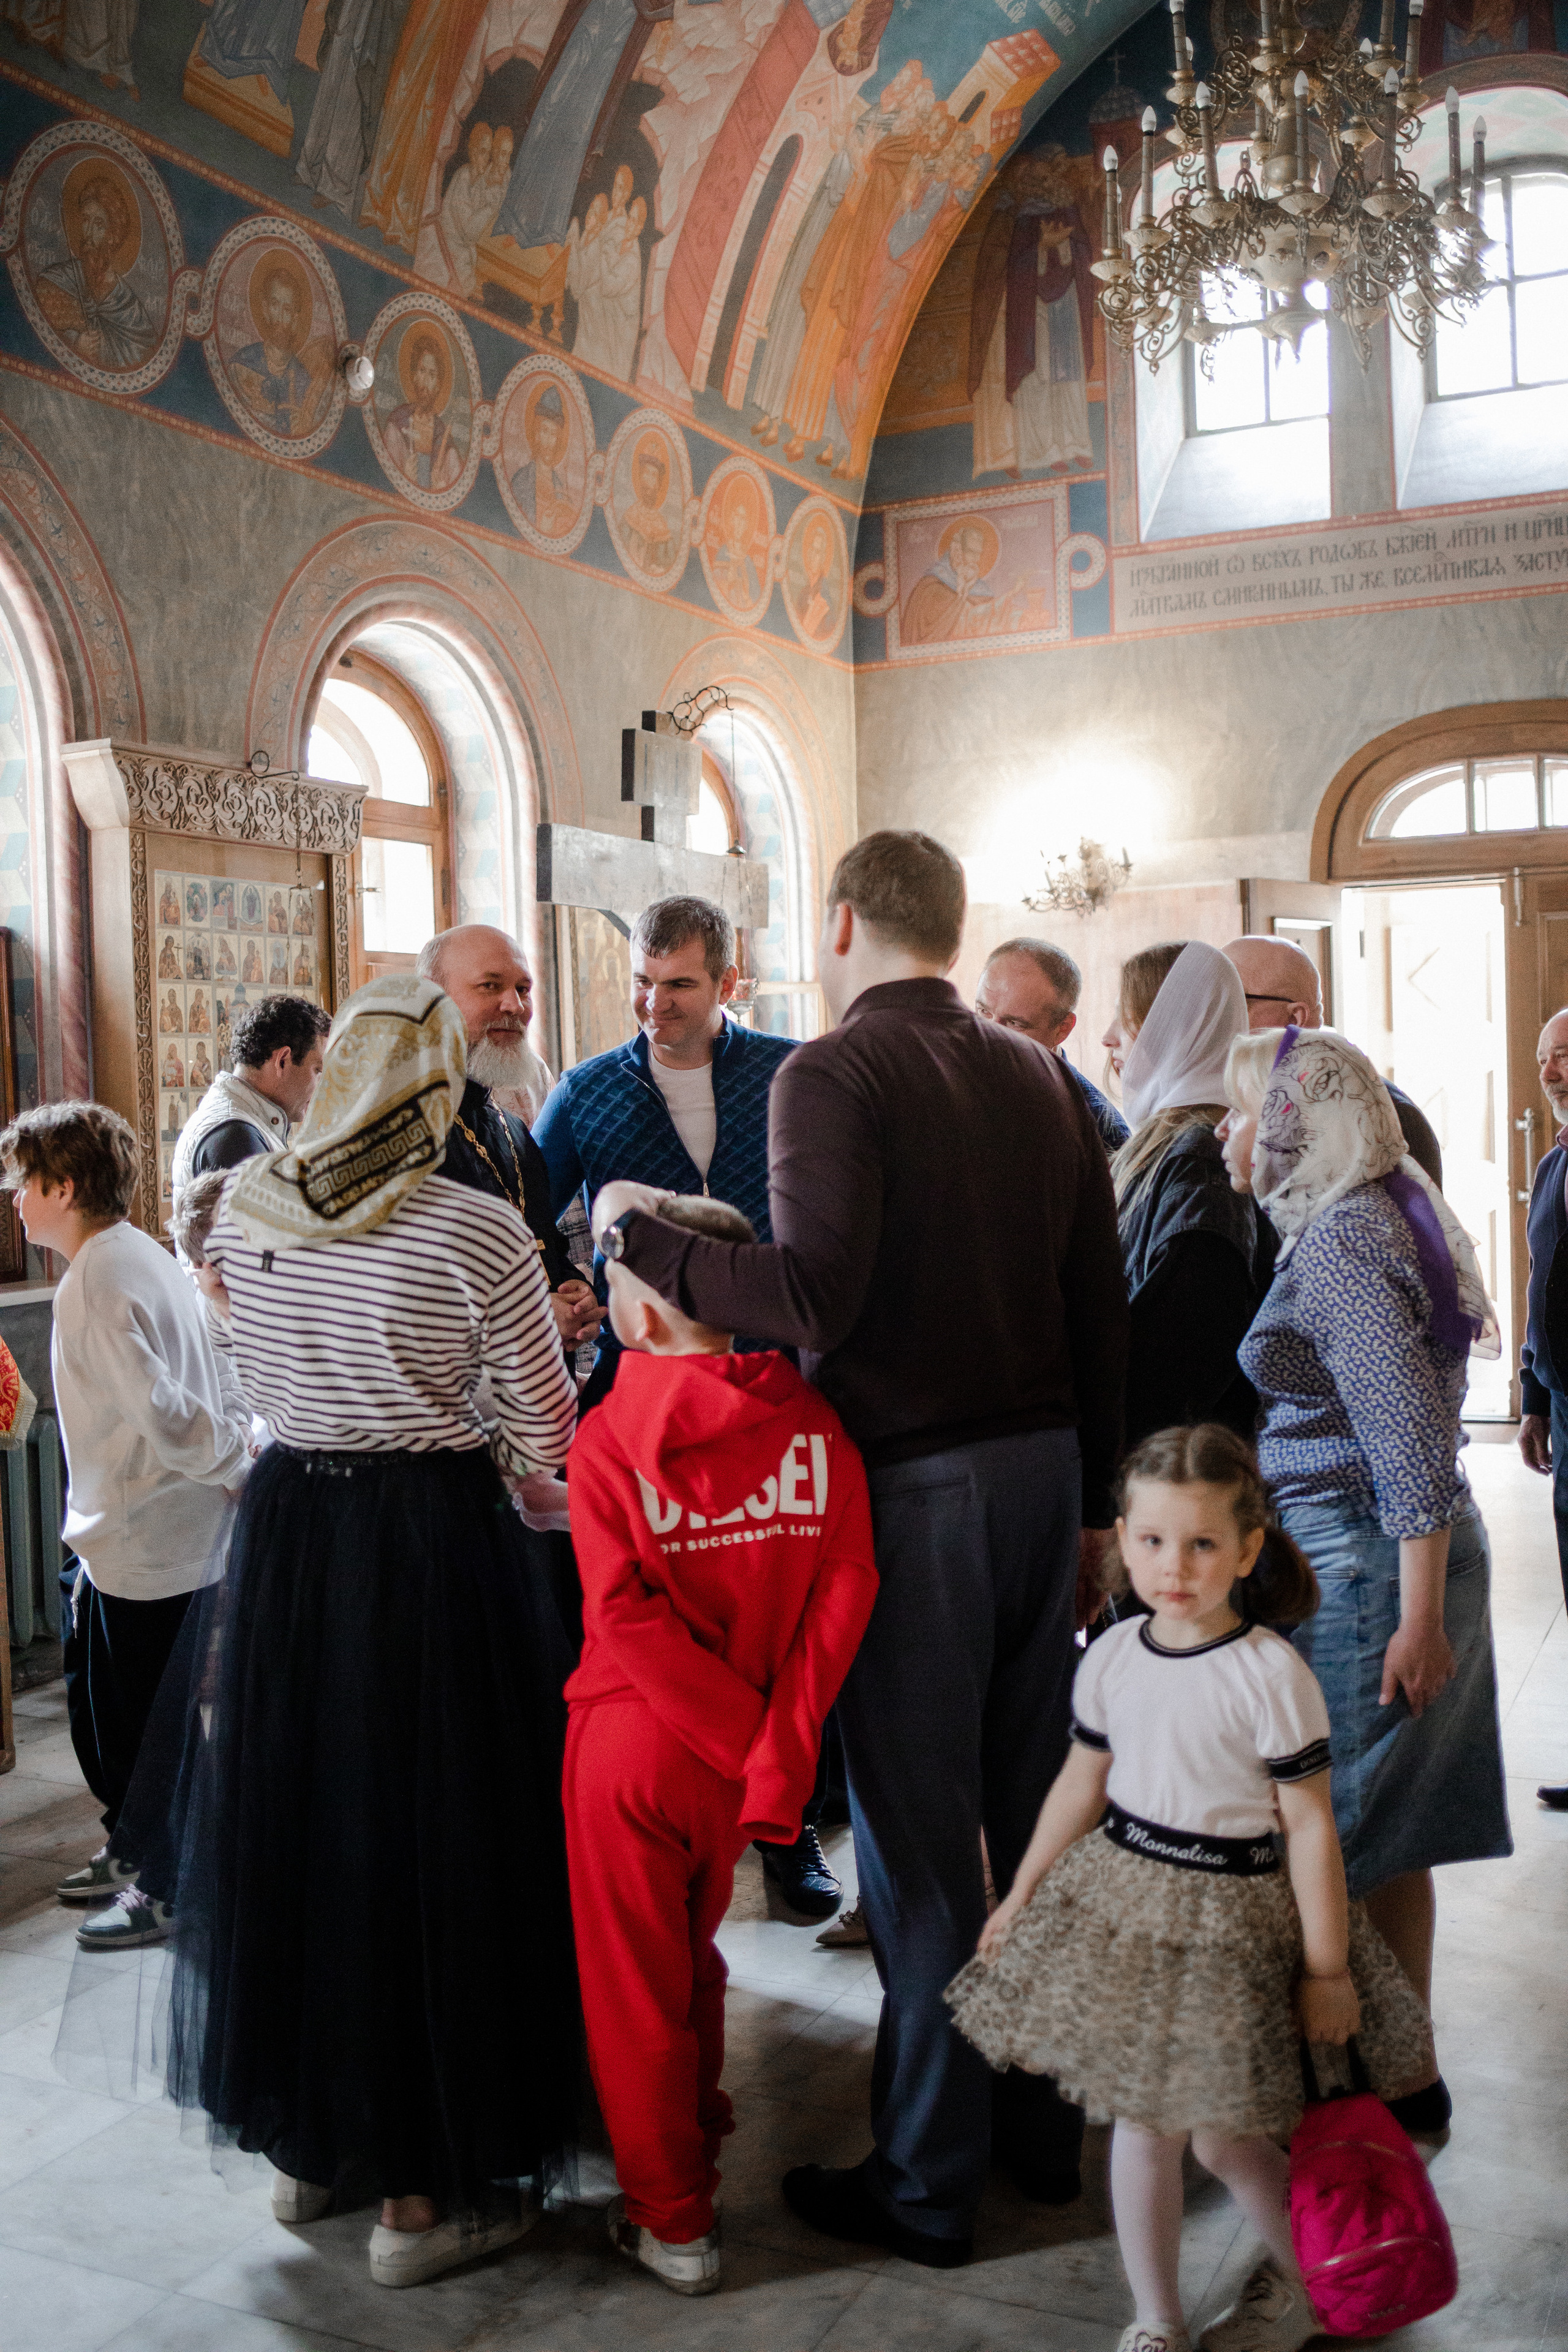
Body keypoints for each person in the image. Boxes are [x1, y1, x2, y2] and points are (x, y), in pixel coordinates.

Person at [590, 831, 1128, 2266]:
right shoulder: (1034, 1070)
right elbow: (1098, 1294)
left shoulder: (834, 1070)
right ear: (947, 929)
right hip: (1039, 1474)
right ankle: (1037, 2130)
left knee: (913, 1848)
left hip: (917, 1486)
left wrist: (652, 1250)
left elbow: (810, 1289)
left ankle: (927, 2179)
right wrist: (1091, 1509)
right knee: (1031, 1821)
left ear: (837, 923)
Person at [155, 974, 582, 2290]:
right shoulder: (471, 1229)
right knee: (434, 1843)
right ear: (436, 1081)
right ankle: (419, 2196)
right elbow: (542, 1429)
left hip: (293, 1540)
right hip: (426, 1547)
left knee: (307, 1829)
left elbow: (250, 1383)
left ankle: (313, 2149)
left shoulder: (248, 1210)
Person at [946, 1425, 1435, 2352]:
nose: (1176, 1567)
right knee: (1144, 2123)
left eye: (1204, 1544)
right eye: (1154, 1542)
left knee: (1218, 2139)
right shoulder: (1112, 1656)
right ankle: (1157, 2320)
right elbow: (1081, 1782)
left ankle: (1317, 2281)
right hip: (1129, 1905)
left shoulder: (1269, 1674)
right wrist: (1020, 1894)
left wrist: (1327, 1969)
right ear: (1120, 1541)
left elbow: (1311, 1825)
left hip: (1235, 1920)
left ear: (1249, 1551)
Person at [564, 1195, 878, 2297]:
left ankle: (674, 2220)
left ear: (646, 1324)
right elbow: (845, 1592)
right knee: (694, 1965)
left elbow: (623, 1618)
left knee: (634, 1987)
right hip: (738, 1762)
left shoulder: (606, 1438)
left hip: (636, 1745)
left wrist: (743, 1742)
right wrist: (778, 1753)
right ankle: (691, 2132)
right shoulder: (814, 1427)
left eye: (615, 1296)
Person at [1222, 1023, 1511, 2144]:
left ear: (1296, 1122)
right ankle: (1407, 2074)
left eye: (1248, 1111)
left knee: (1333, 1835)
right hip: (1398, 1553)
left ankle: (1344, 2092)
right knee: (1396, 1835)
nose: (1232, 1133)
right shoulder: (1391, 1202)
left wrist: (1419, 1619)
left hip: (1371, 1560)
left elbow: (1403, 1446)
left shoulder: (1342, 1237)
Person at [534, 899, 821, 1904]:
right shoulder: (587, 1092)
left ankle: (789, 1832)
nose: (656, 1004)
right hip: (646, 1390)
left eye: (681, 984)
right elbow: (530, 1210)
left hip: (776, 1379)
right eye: (645, 983)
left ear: (729, 984)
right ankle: (678, 1819)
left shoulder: (793, 1073)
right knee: (659, 1609)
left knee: (774, 1610)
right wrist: (564, 1285)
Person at [0, 1104, 251, 1947]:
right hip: (158, 1535)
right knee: (136, 1722)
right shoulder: (133, 1251)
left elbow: (168, 1412)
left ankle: (170, 1884)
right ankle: (144, 1853)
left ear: (63, 1186)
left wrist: (234, 1469)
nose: (13, 1200)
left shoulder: (95, 1283)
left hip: (146, 1543)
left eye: (21, 1183)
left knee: (141, 1735)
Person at [1101, 943, 1266, 1447]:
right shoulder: (1175, 1141)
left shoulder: (1201, 1154)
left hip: (1179, 1460)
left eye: (1126, 1022)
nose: (1108, 1038)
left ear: (1171, 1033)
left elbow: (1185, 1343)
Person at [413, 924, 600, 1355]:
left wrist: (572, 1291)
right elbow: (389, 1288)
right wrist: (532, 1316)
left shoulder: (508, 1125)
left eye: (523, 988)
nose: (514, 1005)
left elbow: (539, 1243)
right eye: (489, 986)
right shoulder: (389, 1126)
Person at [1223, 935, 1442, 1186]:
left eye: (1234, 1002)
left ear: (1295, 1019)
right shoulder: (1244, 1096)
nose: (1215, 1017)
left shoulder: (1376, 1111)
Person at [1513, 1008, 1568, 1809]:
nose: (1554, 1071)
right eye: (1547, 1057)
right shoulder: (1555, 1164)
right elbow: (1541, 1288)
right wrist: (1530, 1397)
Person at [171, 995, 328, 1218]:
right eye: (318, 1070)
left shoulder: (242, 1122)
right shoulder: (236, 1136)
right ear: (283, 1060)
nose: (321, 1086)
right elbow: (265, 1243)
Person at [975, 937, 1127, 1152]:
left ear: (1062, 1028)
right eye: (983, 1012)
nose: (988, 1034)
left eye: (1014, 1023)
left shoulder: (1099, 1129)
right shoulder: (950, 1085)